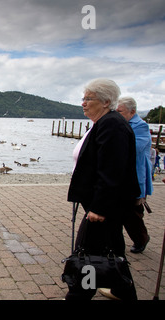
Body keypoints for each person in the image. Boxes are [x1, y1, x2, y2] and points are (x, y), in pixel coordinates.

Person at [65, 78, 139, 301]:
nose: (83, 103)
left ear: (106, 101)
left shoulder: (112, 124)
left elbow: (112, 170)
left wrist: (99, 207)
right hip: (107, 206)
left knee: (86, 252)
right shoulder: (104, 122)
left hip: (105, 208)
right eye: (83, 98)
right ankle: (123, 291)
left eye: (88, 99)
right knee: (113, 249)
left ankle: (78, 295)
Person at [116, 96, 152, 253]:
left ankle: (141, 239)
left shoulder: (141, 127)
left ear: (132, 111)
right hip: (121, 175)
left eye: (120, 112)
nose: (118, 114)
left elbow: (133, 149)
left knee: (132, 213)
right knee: (119, 210)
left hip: (135, 176)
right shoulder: (120, 123)